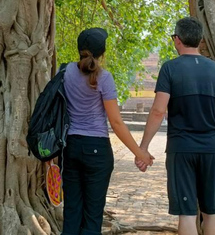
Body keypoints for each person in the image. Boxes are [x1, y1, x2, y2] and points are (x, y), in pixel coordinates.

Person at [136, 17, 215, 235]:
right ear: (199, 40)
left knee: (188, 213)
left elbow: (158, 111)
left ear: (177, 40)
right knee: (211, 211)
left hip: (181, 149)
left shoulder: (170, 69)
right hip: (209, 149)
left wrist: (143, 147)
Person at [61, 27, 154, 235]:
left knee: (72, 212)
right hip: (97, 150)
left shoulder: (64, 71)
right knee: (93, 216)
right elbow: (116, 122)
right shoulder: (104, 77)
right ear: (102, 53)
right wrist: (140, 153)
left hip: (70, 146)